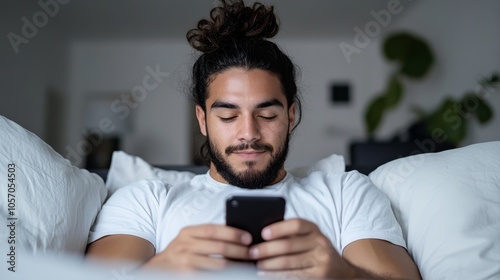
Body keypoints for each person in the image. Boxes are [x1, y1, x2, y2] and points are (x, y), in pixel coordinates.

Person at [86, 1, 421, 279]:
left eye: (267, 115)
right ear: (202, 119)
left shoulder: (346, 193)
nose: (248, 132)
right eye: (228, 116)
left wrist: (344, 275)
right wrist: (160, 271)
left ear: (291, 116)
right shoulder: (147, 199)